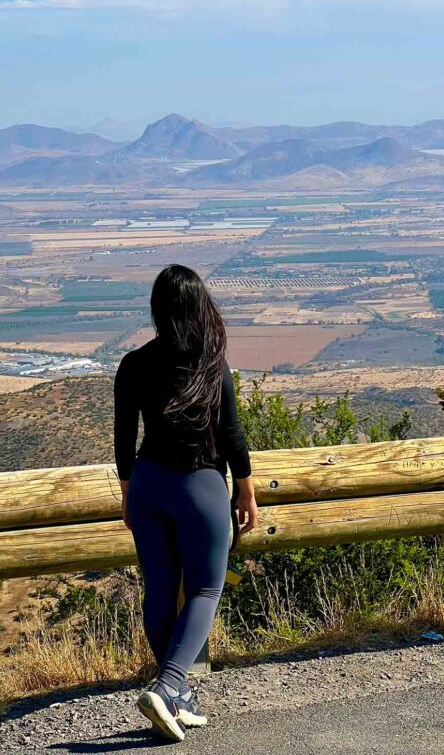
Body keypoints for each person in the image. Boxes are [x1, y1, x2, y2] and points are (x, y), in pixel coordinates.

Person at [113, 264, 258, 742]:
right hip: (200, 486)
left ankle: (176, 698)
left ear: (157, 309)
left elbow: (123, 440)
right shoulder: (211, 365)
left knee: (159, 587)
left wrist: (129, 493)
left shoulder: (133, 364)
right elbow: (231, 434)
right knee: (204, 590)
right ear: (200, 307)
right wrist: (246, 487)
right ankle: (172, 683)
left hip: (149, 482)